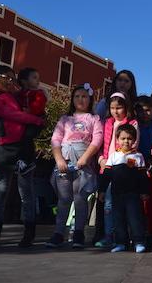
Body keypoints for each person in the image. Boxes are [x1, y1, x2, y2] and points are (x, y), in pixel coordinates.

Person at [0, 65, 44, 248]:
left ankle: (29, 232)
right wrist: (38, 121)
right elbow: (15, 115)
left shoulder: (12, 95)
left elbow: (26, 107)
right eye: (6, 77)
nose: (10, 81)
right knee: (1, 192)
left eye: (12, 78)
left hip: (23, 149)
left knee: (26, 193)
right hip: (4, 152)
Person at [46, 84, 103, 249]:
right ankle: (58, 233)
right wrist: (59, 159)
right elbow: (56, 139)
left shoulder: (94, 119)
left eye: (84, 96)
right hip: (64, 162)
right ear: (72, 99)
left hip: (82, 164)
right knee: (64, 199)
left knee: (80, 199)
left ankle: (78, 232)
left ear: (90, 99)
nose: (80, 99)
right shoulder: (65, 119)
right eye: (77, 96)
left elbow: (97, 139)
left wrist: (85, 157)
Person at [95, 92, 138, 248]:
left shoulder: (132, 123)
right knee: (108, 206)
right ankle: (108, 235)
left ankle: (124, 238)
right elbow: (101, 145)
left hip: (124, 171)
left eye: (119, 107)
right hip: (108, 168)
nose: (116, 111)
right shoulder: (107, 123)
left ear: (125, 107)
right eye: (113, 108)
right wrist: (101, 159)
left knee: (126, 207)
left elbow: (134, 145)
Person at [98, 124, 148, 253]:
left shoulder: (138, 156)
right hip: (117, 194)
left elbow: (143, 177)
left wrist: (144, 192)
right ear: (117, 140)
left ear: (134, 140)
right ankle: (121, 242)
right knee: (118, 219)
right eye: (123, 138)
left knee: (135, 219)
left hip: (133, 195)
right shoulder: (114, 156)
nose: (126, 141)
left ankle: (138, 242)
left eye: (129, 138)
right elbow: (106, 175)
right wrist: (102, 191)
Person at [135, 95, 152, 248]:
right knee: (138, 204)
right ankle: (138, 234)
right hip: (138, 168)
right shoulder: (134, 126)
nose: (145, 113)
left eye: (148, 110)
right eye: (141, 110)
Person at [16, 67, 47, 175]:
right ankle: (22, 159)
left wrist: (30, 110)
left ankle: (28, 160)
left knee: (27, 136)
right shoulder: (20, 93)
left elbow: (39, 105)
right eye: (34, 78)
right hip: (25, 120)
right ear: (24, 81)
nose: (38, 80)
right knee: (21, 137)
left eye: (38, 78)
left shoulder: (39, 93)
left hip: (37, 119)